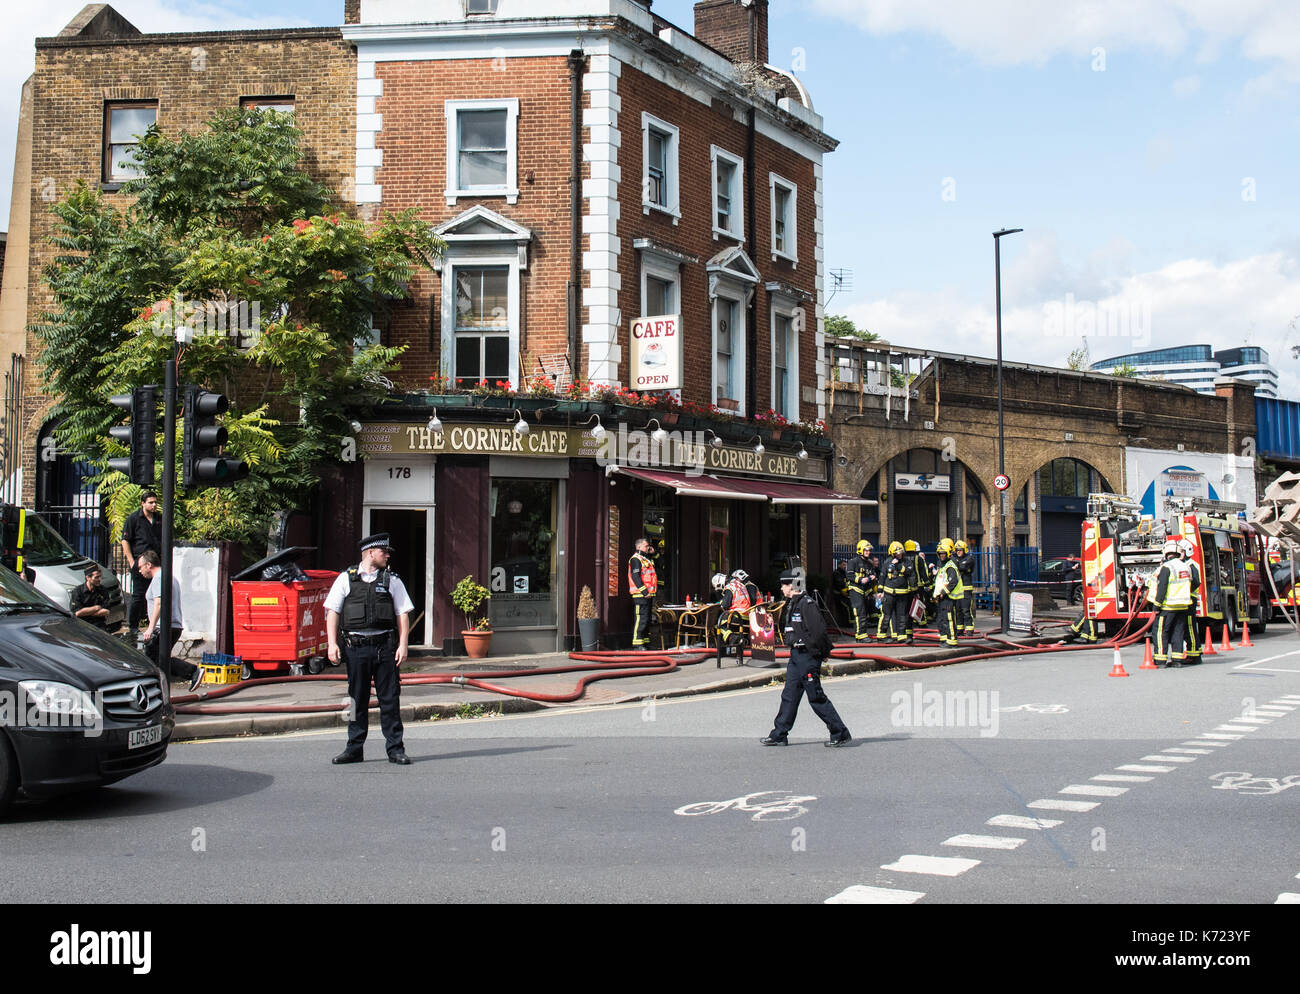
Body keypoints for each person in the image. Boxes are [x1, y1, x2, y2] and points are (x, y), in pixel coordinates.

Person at [326, 533, 414, 765]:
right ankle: (354, 748)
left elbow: (402, 613)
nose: (387, 555)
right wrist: (332, 643)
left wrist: (403, 644)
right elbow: (332, 611)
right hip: (356, 648)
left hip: (385, 648)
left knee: (390, 699)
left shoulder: (392, 580)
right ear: (370, 553)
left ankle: (395, 749)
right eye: (383, 551)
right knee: (356, 700)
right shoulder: (346, 579)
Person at [760, 568, 851, 747]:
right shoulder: (793, 603)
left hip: (808, 656)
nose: (781, 589)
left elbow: (819, 632)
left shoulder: (807, 604)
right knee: (789, 695)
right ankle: (779, 733)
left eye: (783, 585)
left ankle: (840, 732)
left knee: (815, 696)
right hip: (796, 656)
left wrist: (823, 653)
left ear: (792, 586)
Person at [136, 551, 202, 691]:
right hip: (173, 625)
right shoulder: (170, 577)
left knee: (153, 660)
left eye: (140, 567)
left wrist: (150, 628)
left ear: (149, 565)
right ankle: (159, 690)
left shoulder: (159, 578)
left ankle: (192, 671)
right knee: (159, 661)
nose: (139, 571)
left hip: (164, 626)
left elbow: (159, 604)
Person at [120, 492, 163, 632]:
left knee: (156, 595)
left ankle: (154, 623)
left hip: (156, 563)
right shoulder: (134, 519)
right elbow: (125, 540)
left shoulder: (160, 519)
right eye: (150, 502)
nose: (154, 505)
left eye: (155, 502)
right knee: (138, 595)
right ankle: (133, 626)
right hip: (141, 562)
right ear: (143, 503)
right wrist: (132, 561)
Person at [1151, 539, 1193, 667]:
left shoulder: (1167, 567)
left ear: (1166, 554)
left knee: (1160, 632)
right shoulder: (1185, 566)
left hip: (1168, 606)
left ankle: (1160, 660)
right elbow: (1194, 582)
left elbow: (1162, 587)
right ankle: (1177, 660)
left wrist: (1156, 605)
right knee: (1178, 632)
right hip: (1183, 605)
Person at [714, 569, 755, 659]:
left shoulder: (729, 587)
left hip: (737, 616)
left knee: (718, 625)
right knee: (724, 619)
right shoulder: (740, 584)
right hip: (747, 616)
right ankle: (738, 640)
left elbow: (725, 605)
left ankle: (731, 638)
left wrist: (720, 602)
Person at [932, 539, 965, 647]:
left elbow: (953, 582)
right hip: (942, 598)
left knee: (949, 619)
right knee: (941, 619)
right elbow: (940, 581)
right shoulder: (943, 566)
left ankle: (952, 641)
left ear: (948, 554)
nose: (942, 555)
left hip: (949, 598)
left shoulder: (950, 566)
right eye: (940, 554)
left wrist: (943, 593)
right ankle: (944, 639)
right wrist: (935, 594)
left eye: (943, 554)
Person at [877, 541, 911, 644]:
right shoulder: (887, 562)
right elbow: (882, 576)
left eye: (900, 552)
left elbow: (909, 571)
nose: (899, 554)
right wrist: (879, 591)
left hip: (902, 593)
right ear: (892, 553)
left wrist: (899, 566)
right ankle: (881, 635)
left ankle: (901, 636)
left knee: (901, 616)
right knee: (886, 615)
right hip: (889, 593)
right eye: (897, 553)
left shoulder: (907, 561)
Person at [627, 536, 658, 650]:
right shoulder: (635, 559)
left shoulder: (646, 559)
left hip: (648, 595)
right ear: (639, 546)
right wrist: (644, 591)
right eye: (646, 546)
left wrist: (652, 552)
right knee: (641, 618)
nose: (648, 547)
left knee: (647, 619)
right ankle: (637, 644)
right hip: (640, 594)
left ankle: (644, 642)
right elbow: (635, 577)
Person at [846, 539, 878, 642]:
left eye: (869, 550)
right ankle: (861, 635)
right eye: (866, 550)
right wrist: (860, 580)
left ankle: (863, 634)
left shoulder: (869, 563)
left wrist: (873, 579)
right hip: (856, 590)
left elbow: (871, 574)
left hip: (865, 591)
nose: (868, 552)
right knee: (860, 613)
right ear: (860, 550)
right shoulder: (853, 562)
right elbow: (849, 575)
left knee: (865, 613)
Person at [1179, 538, 1203, 663]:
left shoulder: (1191, 565)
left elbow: (1196, 582)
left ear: (1187, 552)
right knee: (1186, 628)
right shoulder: (1184, 565)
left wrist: (1184, 590)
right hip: (1185, 599)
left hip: (1189, 600)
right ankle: (1192, 652)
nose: (1179, 554)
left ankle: (1194, 654)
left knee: (1190, 627)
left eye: (1181, 551)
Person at [70, 565, 112, 630]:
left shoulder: (103, 590)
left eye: (100, 576)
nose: (99, 579)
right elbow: (77, 613)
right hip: (82, 625)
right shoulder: (77, 591)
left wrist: (86, 612)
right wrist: (97, 607)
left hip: (99, 625)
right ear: (88, 578)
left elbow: (106, 611)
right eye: (96, 577)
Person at [953, 539, 976, 635]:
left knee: (966, 610)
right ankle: (960, 629)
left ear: (965, 550)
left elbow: (963, 567)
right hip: (957, 589)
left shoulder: (969, 558)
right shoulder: (955, 559)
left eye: (960, 550)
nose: (958, 551)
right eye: (957, 550)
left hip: (966, 588)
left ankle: (970, 629)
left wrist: (956, 565)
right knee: (958, 610)